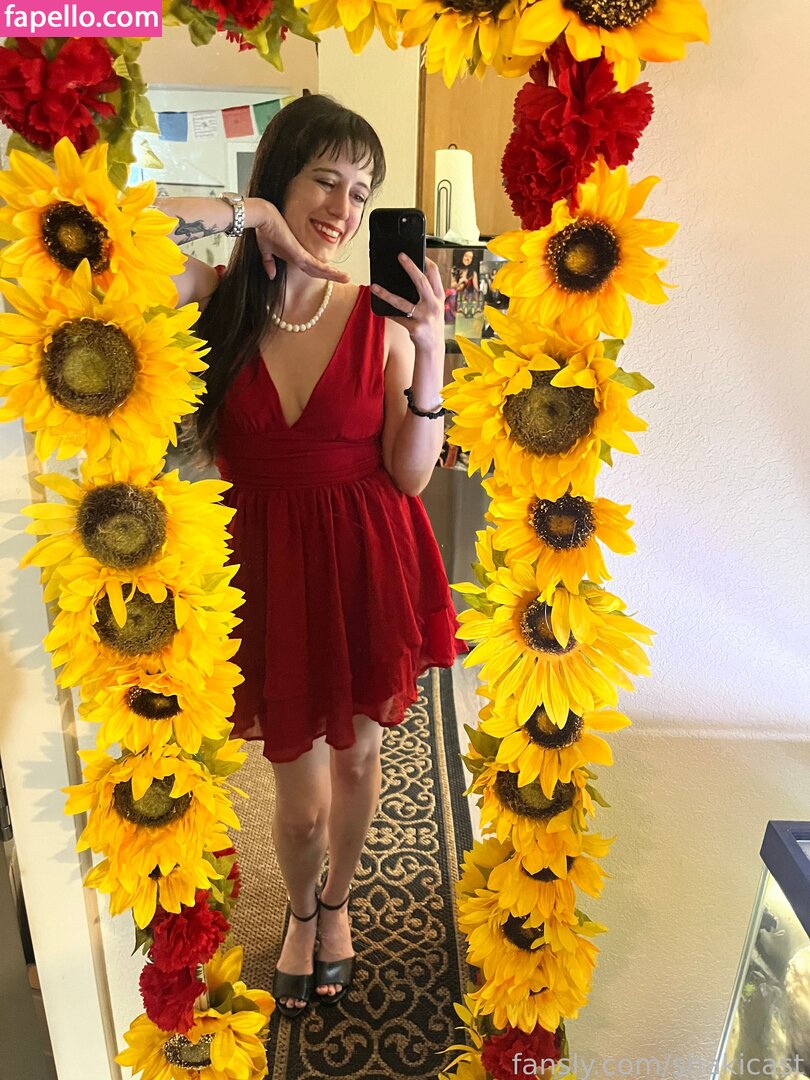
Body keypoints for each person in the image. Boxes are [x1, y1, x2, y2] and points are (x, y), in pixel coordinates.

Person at [156, 94, 464, 1019]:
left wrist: (432, 351)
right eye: (325, 180)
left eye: (361, 193)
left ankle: (336, 904)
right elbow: (106, 233)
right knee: (296, 800)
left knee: (359, 765)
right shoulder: (212, 302)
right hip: (265, 570)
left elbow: (411, 477)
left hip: (368, 557)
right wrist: (247, 216)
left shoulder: (377, 318)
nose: (342, 208)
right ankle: (298, 910)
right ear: (278, 178)